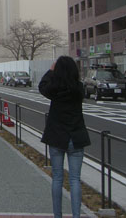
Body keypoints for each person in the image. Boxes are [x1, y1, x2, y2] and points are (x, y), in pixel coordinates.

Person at [39, 56, 91, 218]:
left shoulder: (54, 89)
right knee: (75, 179)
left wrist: (51, 70)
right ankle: (76, 215)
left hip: (56, 137)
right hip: (76, 136)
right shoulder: (79, 88)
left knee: (57, 178)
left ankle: (58, 215)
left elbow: (42, 86)